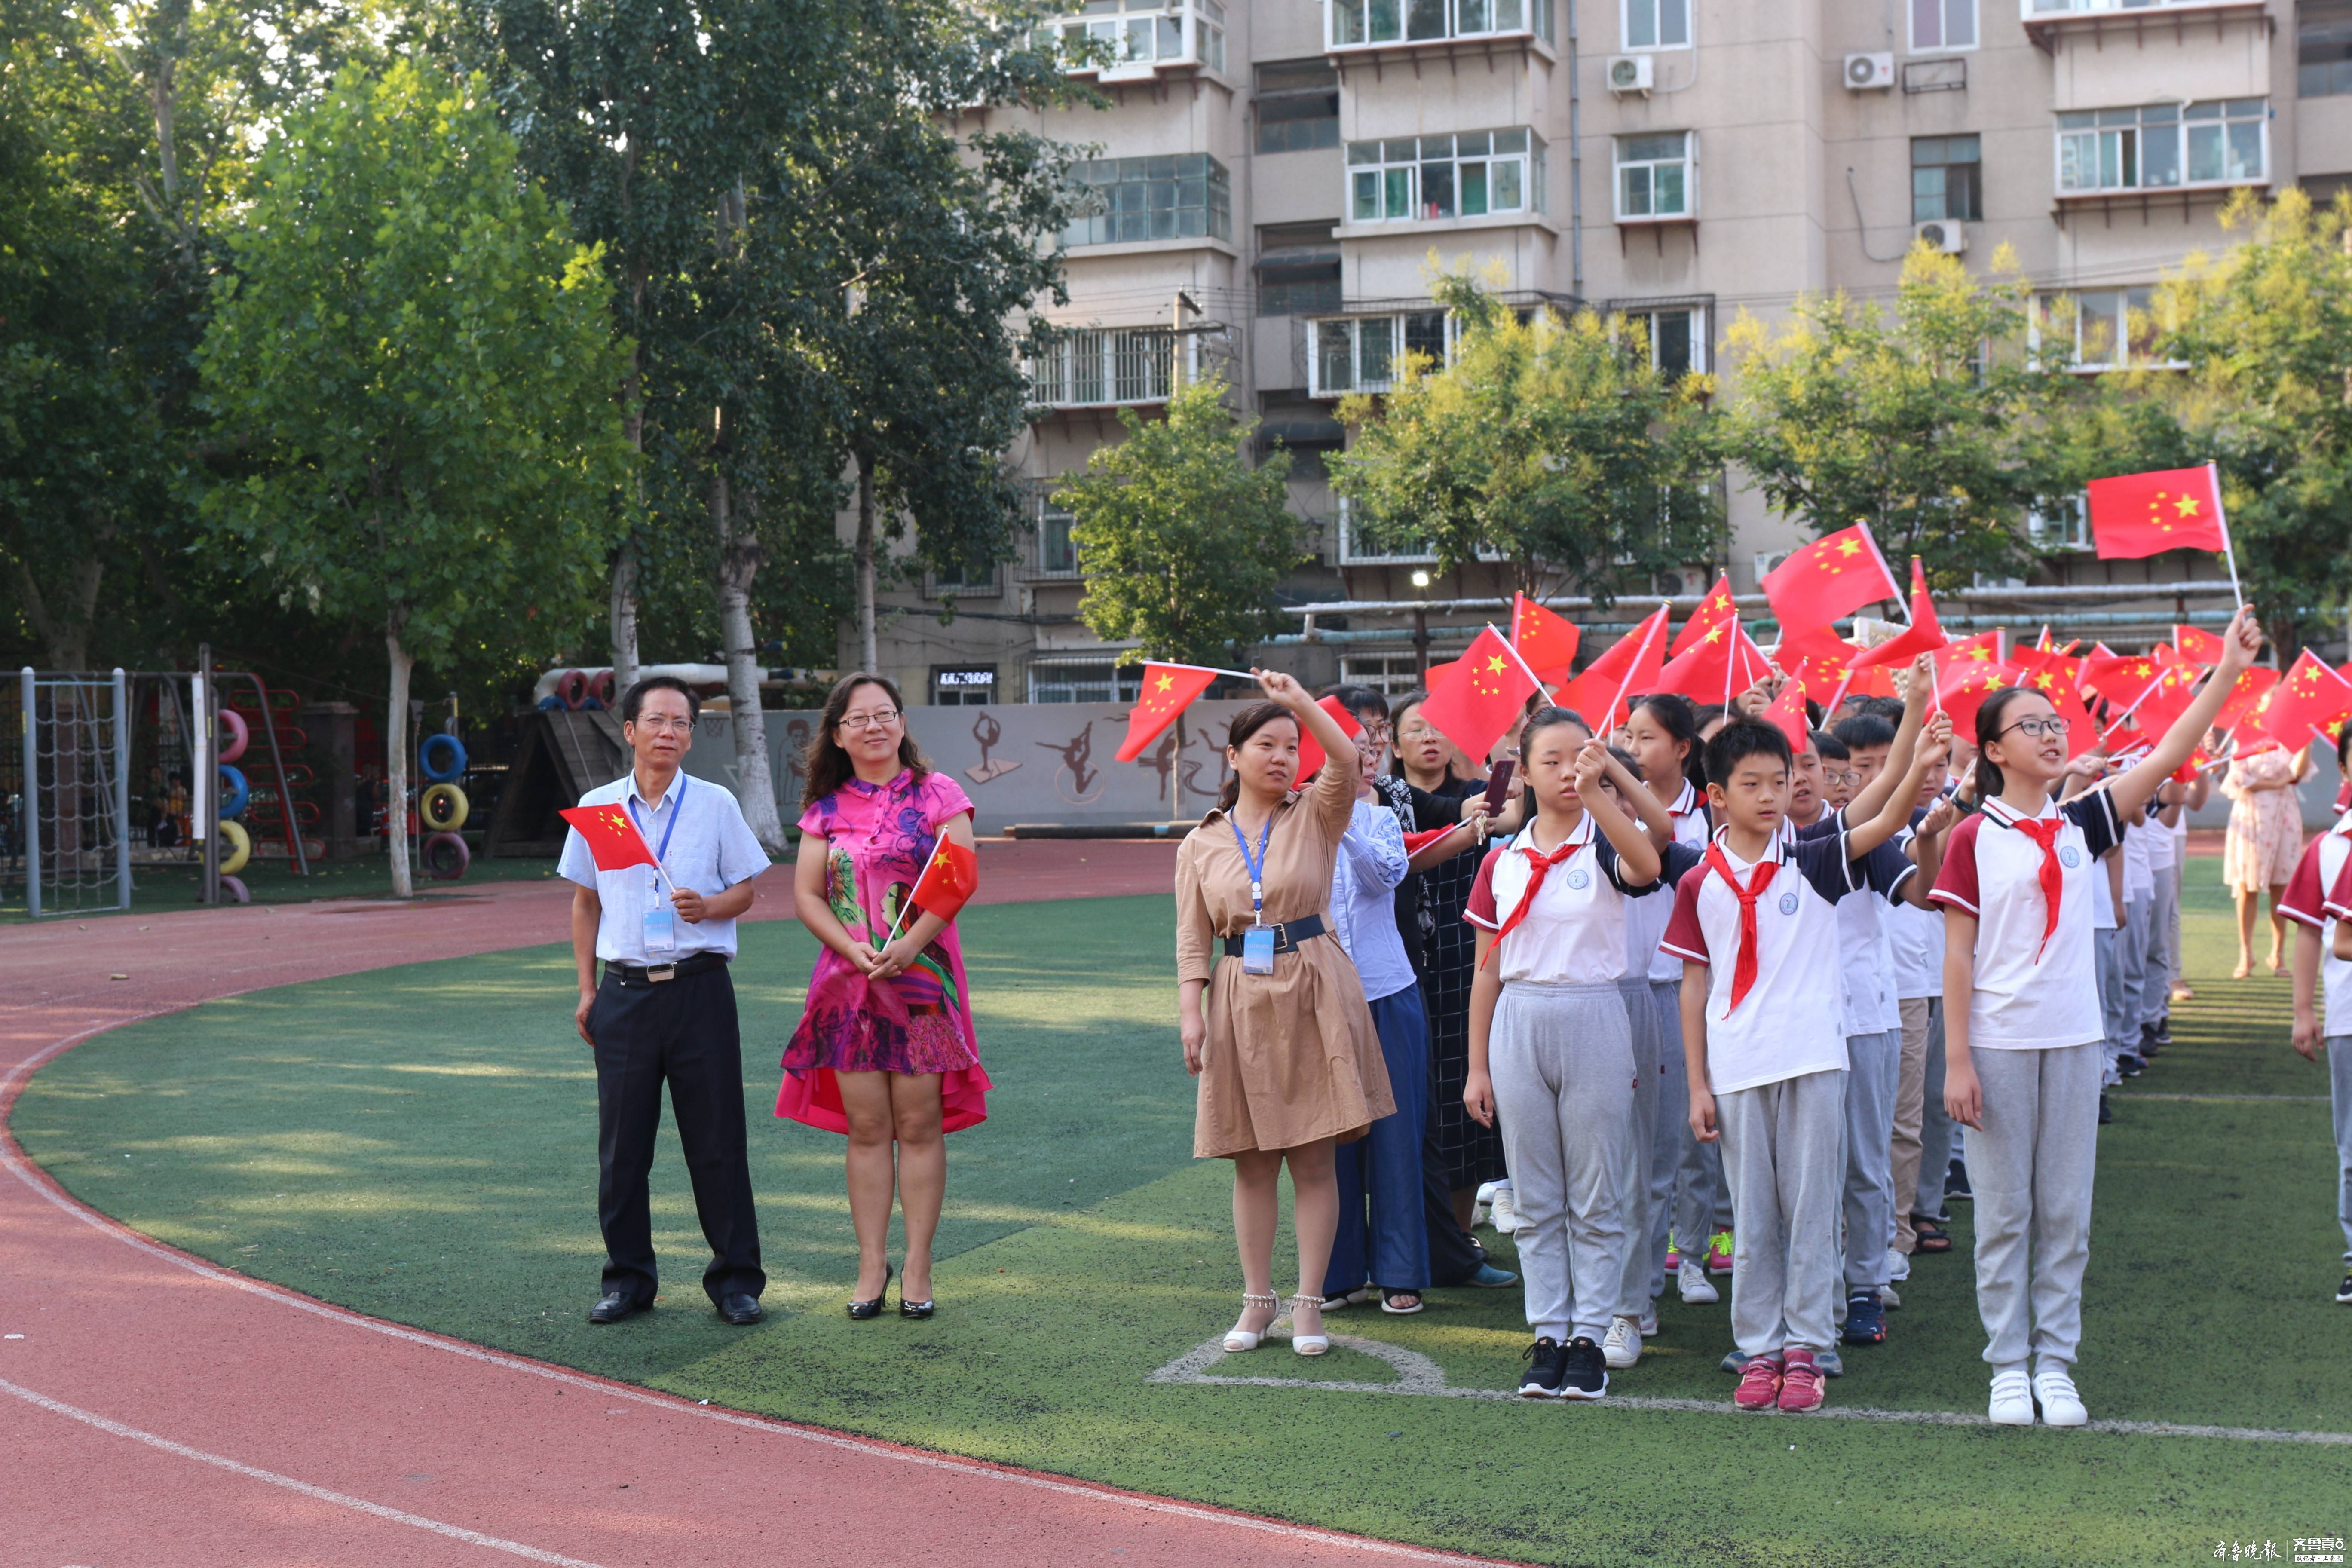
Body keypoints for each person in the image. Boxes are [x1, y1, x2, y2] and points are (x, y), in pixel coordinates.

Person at [1935, 605, 2262, 1427]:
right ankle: (2006, 1364)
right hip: (2000, 1044)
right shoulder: (1975, 835)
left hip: (2075, 1042)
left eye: (2055, 722)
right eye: (2029, 725)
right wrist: (1958, 1061)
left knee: (2066, 1212)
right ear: (1993, 749)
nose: (2050, 735)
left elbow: (2170, 753)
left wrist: (2225, 670)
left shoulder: (2086, 820)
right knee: (2005, 1212)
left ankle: (2056, 1362)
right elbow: (1958, 953)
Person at [1664, 715, 1943, 1414]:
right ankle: (1758, 1344)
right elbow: (1694, 983)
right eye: (1750, 783)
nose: (1769, 794)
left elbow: (1875, 823)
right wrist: (1697, 1082)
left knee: (1812, 1207)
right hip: (1735, 1064)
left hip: (1815, 1058)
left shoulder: (1815, 859)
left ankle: (1807, 1345)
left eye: (1779, 780)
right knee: (1754, 1213)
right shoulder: (1699, 880)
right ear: (1716, 795)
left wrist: (1915, 767)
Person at [1176, 672, 1396, 1358]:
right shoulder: (1201, 843)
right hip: (1239, 992)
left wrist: (1303, 702)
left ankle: (1308, 1303)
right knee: (1251, 1160)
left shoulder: (1319, 812)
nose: (1280, 756)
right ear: (1233, 756)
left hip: (1315, 988)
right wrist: (1192, 1014)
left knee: (1314, 1160)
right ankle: (1256, 1299)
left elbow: (1348, 760)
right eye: (1265, 744)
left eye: (1289, 744)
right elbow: (1191, 941)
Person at [1461, 708, 1666, 1400]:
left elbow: (1648, 863)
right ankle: (1548, 1332)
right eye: (1551, 760)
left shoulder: (1605, 843)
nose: (1566, 771)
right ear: (1523, 771)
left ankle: (1592, 1336)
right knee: (1537, 1192)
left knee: (1598, 1189)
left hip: (1595, 1014)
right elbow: (1487, 969)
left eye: (1580, 756)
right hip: (1520, 1020)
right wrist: (1476, 1065)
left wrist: (1604, 786)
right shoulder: (1503, 858)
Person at [781, 674, 992, 1320]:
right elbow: (807, 897)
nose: (873, 727)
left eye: (884, 715)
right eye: (857, 719)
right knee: (869, 1130)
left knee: (920, 1127)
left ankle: (921, 1265)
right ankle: (872, 1262)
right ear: (838, 736)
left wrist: (911, 945)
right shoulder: (825, 810)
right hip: (848, 993)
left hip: (923, 985)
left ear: (901, 723)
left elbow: (960, 876)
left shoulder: (939, 795)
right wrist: (852, 952)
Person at [563, 674, 772, 1327]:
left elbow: (747, 892)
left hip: (701, 991)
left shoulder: (714, 805)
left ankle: (735, 1281)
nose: (669, 734)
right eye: (656, 721)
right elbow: (585, 901)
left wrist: (709, 907)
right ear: (630, 731)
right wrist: (587, 989)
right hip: (623, 995)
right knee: (623, 1148)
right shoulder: (599, 808)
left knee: (717, 1142)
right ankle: (628, 1280)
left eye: (682, 723)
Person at [1389, 694, 1517, 1292]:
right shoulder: (1386, 800)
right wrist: (1466, 814)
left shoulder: (1476, 793)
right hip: (1399, 965)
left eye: (1439, 727)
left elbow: (1504, 814)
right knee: (1414, 1109)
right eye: (1415, 729)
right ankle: (1407, 1239)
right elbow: (1440, 813)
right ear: (1393, 745)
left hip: (1465, 960)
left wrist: (1508, 768)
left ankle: (1460, 1239)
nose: (1429, 738)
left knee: (1467, 1107)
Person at [1321, 686, 1432, 1314]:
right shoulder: (1293, 818)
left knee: (1395, 1135)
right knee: (1332, 1134)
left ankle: (1399, 1272)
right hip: (1323, 997)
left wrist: (1346, 826)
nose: (1368, 758)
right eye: (1354, 749)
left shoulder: (1381, 818)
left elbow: (1385, 878)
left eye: (1371, 749)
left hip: (1390, 993)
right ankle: (1339, 1272)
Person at [1616, 694, 1721, 1337]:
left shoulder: (1706, 815)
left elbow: (1672, 848)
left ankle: (1695, 1257)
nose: (1634, 748)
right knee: (1639, 1152)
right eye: (1627, 736)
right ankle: (1644, 1285)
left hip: (1681, 989)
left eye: (1647, 737)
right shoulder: (1607, 805)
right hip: (1622, 988)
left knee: (1689, 1140)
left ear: (1683, 747)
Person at [2280, 725, 2352, 1306]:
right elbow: (2310, 934)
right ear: (2345, 770)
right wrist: (2305, 1012)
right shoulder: (2329, 849)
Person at [2222, 740, 2311, 978]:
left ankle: (2278, 955)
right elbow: (2240, 779)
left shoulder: (2291, 735)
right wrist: (2278, 782)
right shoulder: (2246, 734)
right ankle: (2246, 954)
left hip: (2284, 814)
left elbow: (2300, 770)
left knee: (2280, 887)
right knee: (2245, 887)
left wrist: (2306, 741)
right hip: (2251, 814)